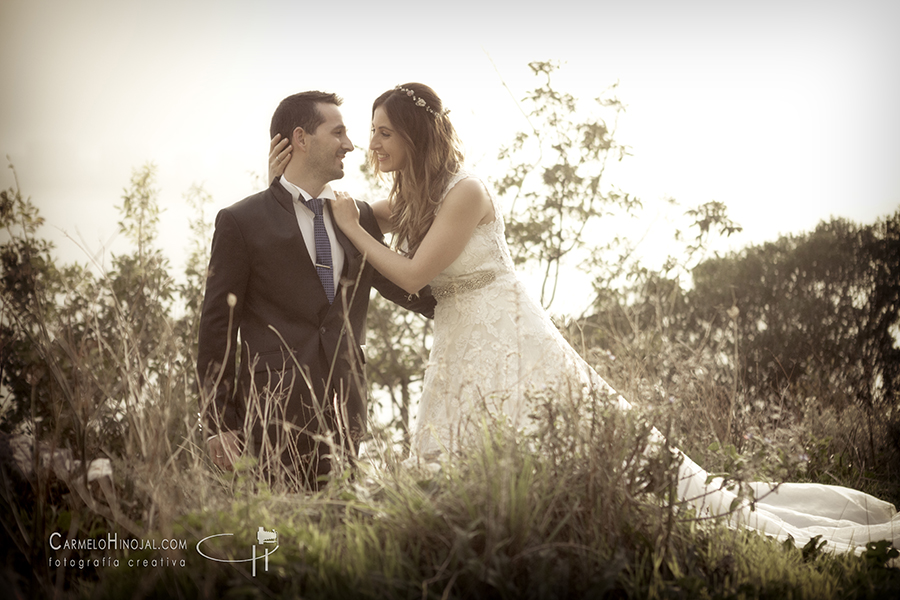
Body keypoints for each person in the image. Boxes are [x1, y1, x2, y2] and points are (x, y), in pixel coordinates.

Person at [271, 83, 900, 555]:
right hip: (458, 335)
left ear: (413, 134)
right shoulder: (409, 193)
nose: (369, 144)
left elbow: (407, 274)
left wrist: (355, 224)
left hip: (505, 326)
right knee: (466, 452)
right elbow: (320, 210)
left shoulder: (467, 190)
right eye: (367, 132)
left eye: (381, 131)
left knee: (562, 437)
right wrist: (277, 182)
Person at [197, 90, 435, 490]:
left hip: (346, 407)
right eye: (338, 132)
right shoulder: (241, 221)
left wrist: (468, 300)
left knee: (339, 532)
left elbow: (404, 287)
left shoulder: (356, 215)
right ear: (302, 138)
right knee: (276, 537)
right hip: (270, 412)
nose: (350, 144)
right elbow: (216, 328)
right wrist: (219, 422)